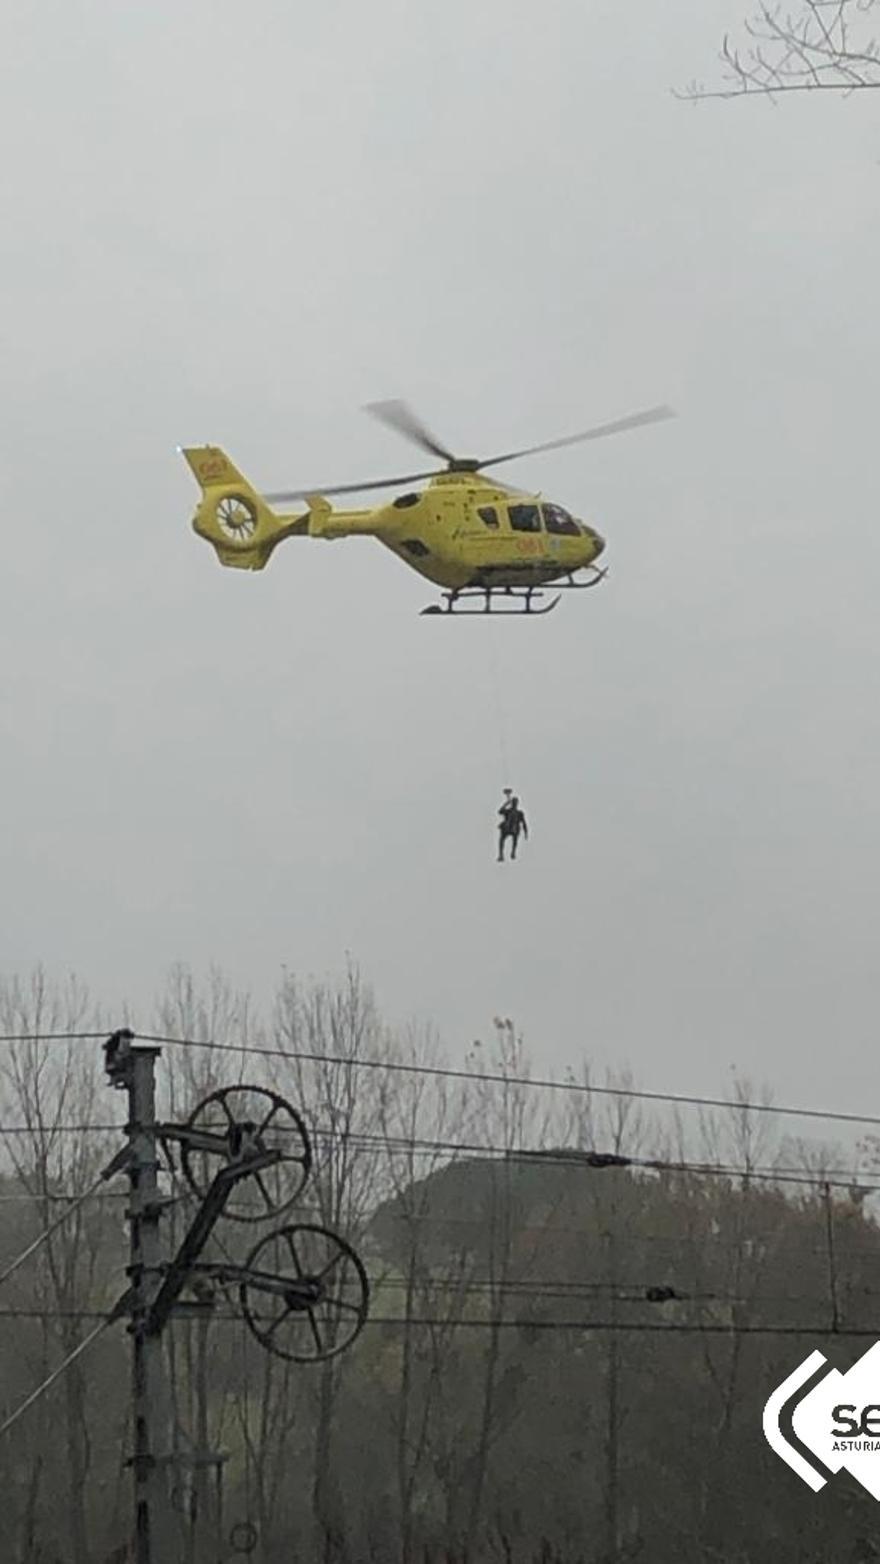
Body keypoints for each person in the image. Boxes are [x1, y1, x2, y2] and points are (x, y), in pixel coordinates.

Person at [497, 788, 528, 862]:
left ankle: (513, 852)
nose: (514, 804)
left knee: (515, 836)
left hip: (514, 829)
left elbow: (524, 823)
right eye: (513, 803)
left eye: (515, 803)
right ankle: (501, 854)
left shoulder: (519, 813)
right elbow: (500, 811)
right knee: (501, 839)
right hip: (507, 828)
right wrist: (506, 803)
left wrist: (526, 832)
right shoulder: (508, 811)